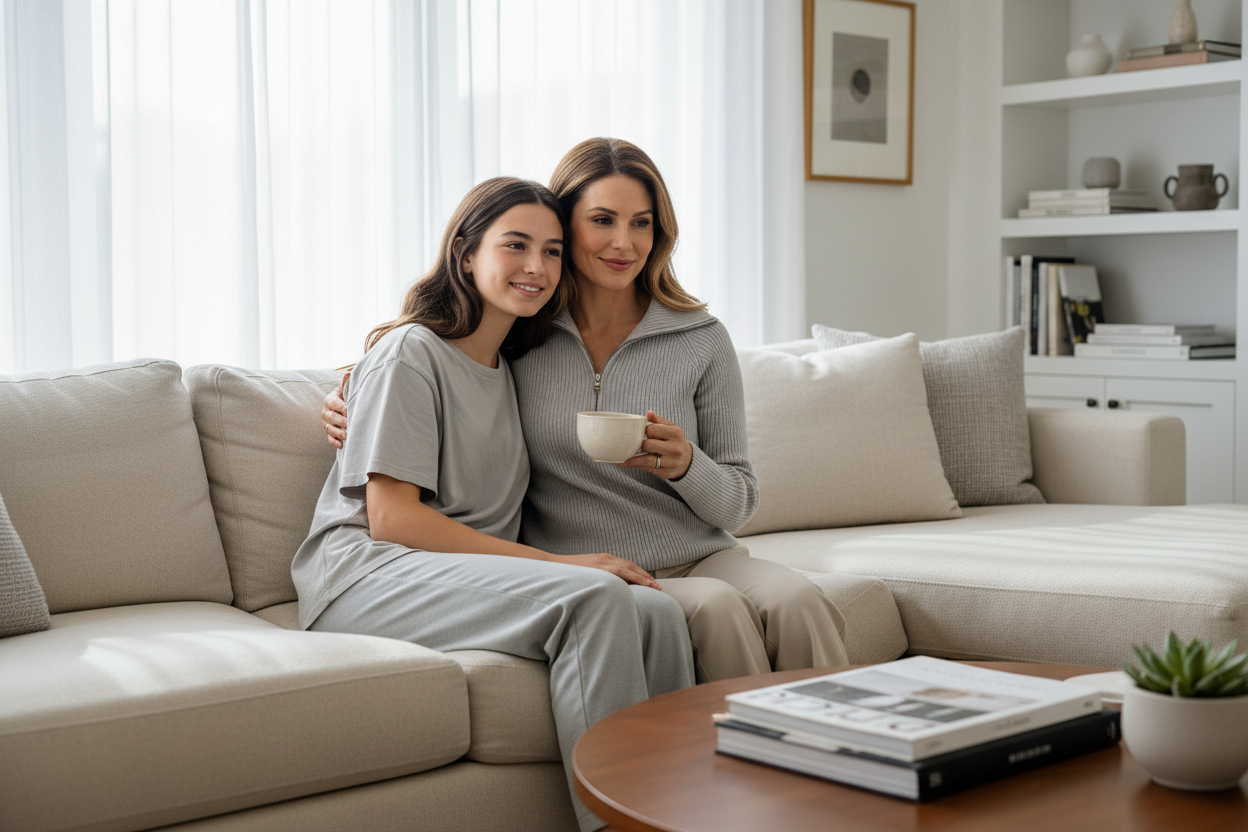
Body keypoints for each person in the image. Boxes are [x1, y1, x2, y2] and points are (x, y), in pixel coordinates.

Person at [324, 138, 849, 683]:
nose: (624, 242)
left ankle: (860, 757)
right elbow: (441, 361)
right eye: (602, 220)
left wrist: (687, 464)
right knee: (718, 611)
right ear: (566, 228)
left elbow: (739, 503)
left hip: (705, 554)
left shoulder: (701, 339)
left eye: (641, 223)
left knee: (798, 600)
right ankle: (745, 763)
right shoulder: (524, 332)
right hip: (587, 565)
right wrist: (348, 396)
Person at [295, 176, 694, 832]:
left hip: (446, 574)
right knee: (591, 597)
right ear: (466, 254)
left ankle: (675, 812)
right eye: (515, 245)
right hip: (364, 573)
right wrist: (565, 566)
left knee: (656, 610)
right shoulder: (410, 354)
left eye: (554, 250)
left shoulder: (514, 367)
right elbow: (391, 518)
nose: (537, 266)